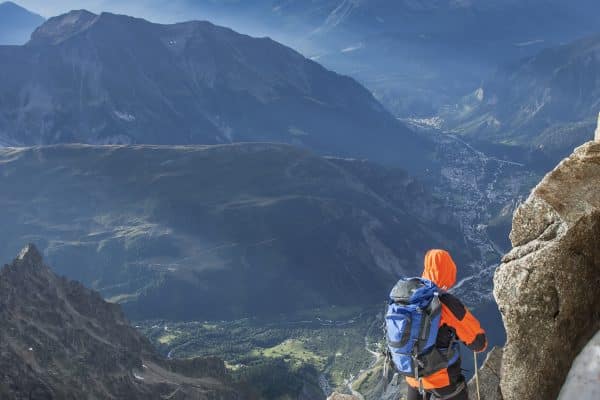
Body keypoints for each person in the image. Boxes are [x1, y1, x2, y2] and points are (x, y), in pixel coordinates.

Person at [405, 249, 487, 400]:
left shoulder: (409, 296)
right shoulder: (447, 303)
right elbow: (478, 343)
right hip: (443, 380)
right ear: (449, 272)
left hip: (413, 375)